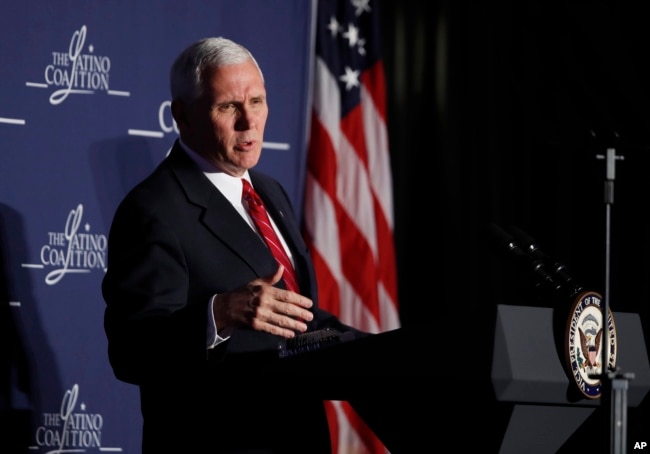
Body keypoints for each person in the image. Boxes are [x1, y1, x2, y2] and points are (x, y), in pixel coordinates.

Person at [101, 37, 367, 453]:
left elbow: (296, 318)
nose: (249, 121)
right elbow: (132, 350)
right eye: (228, 107)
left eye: (257, 101)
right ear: (183, 117)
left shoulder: (268, 191)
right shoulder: (153, 209)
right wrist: (219, 314)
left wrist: (389, 356)